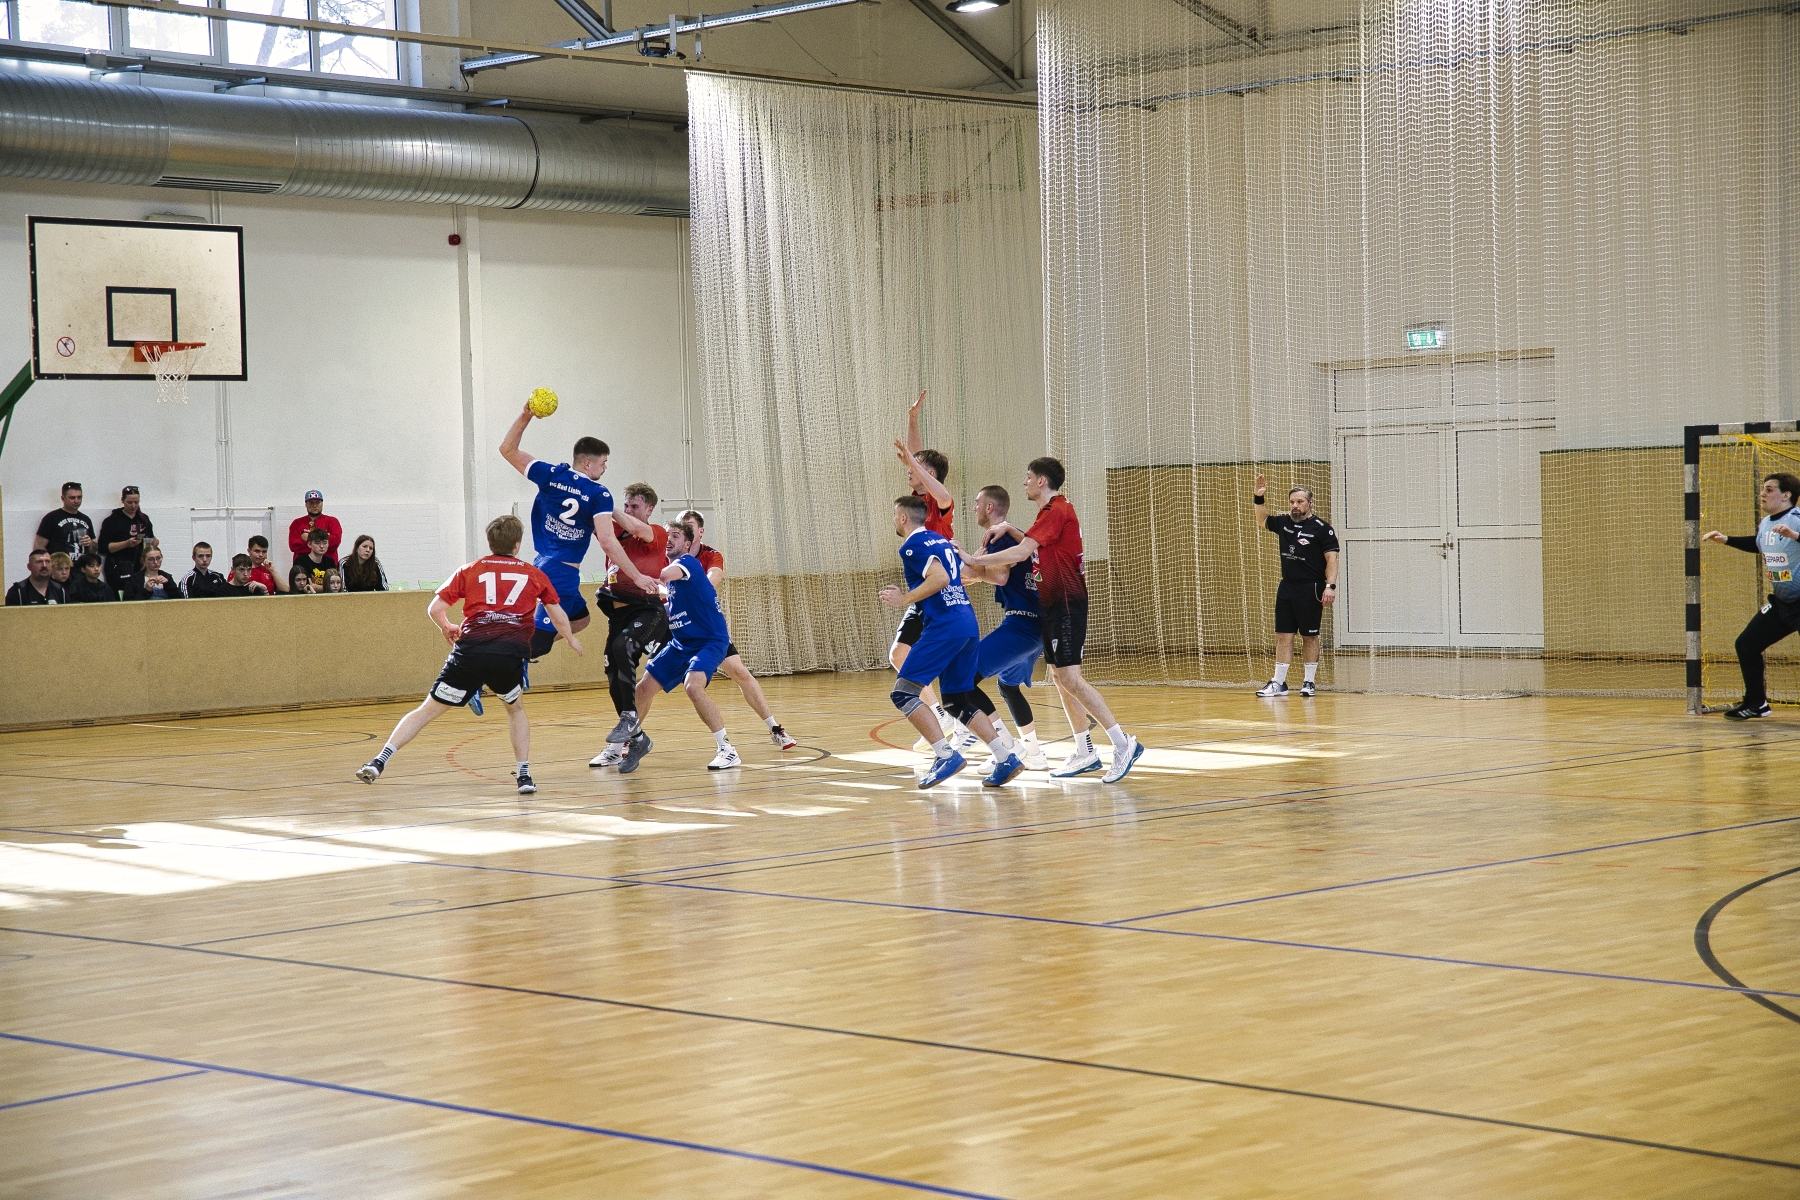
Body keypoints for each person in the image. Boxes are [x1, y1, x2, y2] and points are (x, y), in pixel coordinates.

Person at [358, 514, 580, 796]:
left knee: (426, 711)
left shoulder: (470, 570)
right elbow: (556, 613)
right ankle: (524, 776)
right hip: (507, 656)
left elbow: (434, 609)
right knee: (515, 710)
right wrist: (570, 638)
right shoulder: (533, 574)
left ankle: (379, 760)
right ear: (517, 544)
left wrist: (447, 627)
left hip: (470, 652)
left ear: (490, 542)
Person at [961, 457, 1144, 783]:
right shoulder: (1051, 513)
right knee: (1061, 678)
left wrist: (969, 558)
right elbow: (1031, 545)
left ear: (1042, 481)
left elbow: (1020, 553)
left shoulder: (1056, 510)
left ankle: (1122, 743)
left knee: (1071, 679)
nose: (1025, 482)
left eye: (1028, 477)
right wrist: (1011, 530)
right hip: (1053, 607)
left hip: (1066, 605)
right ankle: (1085, 751)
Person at [880, 494, 1024, 789]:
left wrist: (905, 599)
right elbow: (963, 574)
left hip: (944, 626)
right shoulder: (941, 542)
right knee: (956, 700)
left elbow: (941, 578)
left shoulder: (911, 547)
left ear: (903, 518)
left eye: (895, 515)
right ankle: (1004, 757)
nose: (894, 519)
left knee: (903, 693)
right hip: (966, 622)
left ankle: (945, 755)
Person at [497, 402, 654, 664]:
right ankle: (488, 661)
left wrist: (526, 415)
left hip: (544, 563)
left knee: (581, 620)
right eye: (603, 463)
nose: (604, 469)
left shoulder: (551, 474)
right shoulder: (598, 493)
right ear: (588, 463)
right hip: (561, 573)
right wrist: (637, 576)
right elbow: (607, 541)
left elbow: (507, 450)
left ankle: (520, 650)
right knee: (539, 645)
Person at [608, 519, 739, 774]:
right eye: (667, 535)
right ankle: (627, 745)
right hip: (682, 644)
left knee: (693, 685)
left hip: (709, 641)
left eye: (676, 536)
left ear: (687, 544)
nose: (668, 539)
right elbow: (666, 598)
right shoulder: (673, 584)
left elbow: (664, 576)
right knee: (642, 689)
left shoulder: (686, 563)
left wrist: (636, 574)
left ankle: (727, 749)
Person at [889, 390, 980, 755]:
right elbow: (918, 461)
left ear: (928, 474)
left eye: (915, 466)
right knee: (899, 654)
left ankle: (963, 724)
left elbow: (939, 490)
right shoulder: (917, 501)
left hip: (941, 589)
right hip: (929, 589)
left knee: (940, 667)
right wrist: (912, 419)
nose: (908, 468)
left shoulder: (938, 502)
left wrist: (915, 458)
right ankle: (946, 718)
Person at [675, 508, 799, 751]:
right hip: (675, 629)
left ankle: (774, 728)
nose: (684, 530)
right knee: (647, 684)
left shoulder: (710, 555)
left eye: (689, 525)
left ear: (700, 531)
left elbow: (714, 576)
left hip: (705, 628)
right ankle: (627, 740)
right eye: (681, 526)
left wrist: (694, 588)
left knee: (739, 672)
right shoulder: (669, 555)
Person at [962, 485, 1050, 771]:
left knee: (964, 678)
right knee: (1008, 686)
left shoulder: (998, 535)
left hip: (1022, 624)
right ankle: (1034, 753)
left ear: (989, 507)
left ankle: (1006, 747)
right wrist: (971, 571)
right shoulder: (1012, 535)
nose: (974, 507)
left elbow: (999, 576)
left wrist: (968, 566)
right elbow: (981, 574)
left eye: (977, 502)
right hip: (1035, 625)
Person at [588, 483, 675, 764]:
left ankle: (628, 717)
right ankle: (637, 739)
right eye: (626, 505)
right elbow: (589, 520)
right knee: (613, 673)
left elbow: (635, 527)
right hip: (618, 614)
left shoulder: (656, 533)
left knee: (623, 645)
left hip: (647, 610)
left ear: (649, 509)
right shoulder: (613, 533)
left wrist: (607, 505)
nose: (628, 510)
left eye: (634, 506)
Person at [1703, 471, 1800, 720]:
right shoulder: (1766, 523)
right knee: (1746, 645)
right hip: (1782, 604)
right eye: (1763, 489)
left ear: (1786, 495)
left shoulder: (1797, 519)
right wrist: (1726, 540)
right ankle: (1757, 704)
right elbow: (1758, 544)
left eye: (1769, 489)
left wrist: (1795, 536)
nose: (1762, 494)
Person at [1250, 476, 1340, 698]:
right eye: (1292, 502)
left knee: (1309, 636)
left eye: (1300, 502)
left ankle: (1309, 682)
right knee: (1283, 636)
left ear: (1310, 503)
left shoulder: (1322, 529)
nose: (1295, 506)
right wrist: (1259, 497)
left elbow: (1332, 559)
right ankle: (1279, 683)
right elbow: (1263, 520)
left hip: (1311, 588)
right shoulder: (1284, 523)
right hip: (1287, 588)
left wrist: (1330, 586)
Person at [97, 486, 157, 596]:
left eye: (136, 502)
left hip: (140, 567)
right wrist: (126, 544)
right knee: (122, 598)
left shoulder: (143, 519)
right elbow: (102, 547)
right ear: (122, 500)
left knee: (141, 596)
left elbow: (150, 539)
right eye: (130, 502)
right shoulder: (112, 521)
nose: (133, 506)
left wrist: (154, 544)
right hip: (118, 568)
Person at [34, 482, 96, 558]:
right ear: (63, 498)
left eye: (79, 497)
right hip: (59, 564)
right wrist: (49, 563)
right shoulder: (52, 517)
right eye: (72, 498)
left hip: (82, 564)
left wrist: (90, 544)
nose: (76, 501)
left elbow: (94, 550)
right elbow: (39, 547)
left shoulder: (86, 519)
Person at [288, 490, 342, 562]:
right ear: (306, 504)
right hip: (303, 564)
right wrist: (325, 539)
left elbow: (335, 543)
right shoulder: (297, 523)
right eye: (311, 503)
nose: (315, 505)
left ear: (322, 503)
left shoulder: (332, 521)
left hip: (327, 564)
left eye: (318, 502)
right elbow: (294, 546)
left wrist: (308, 538)